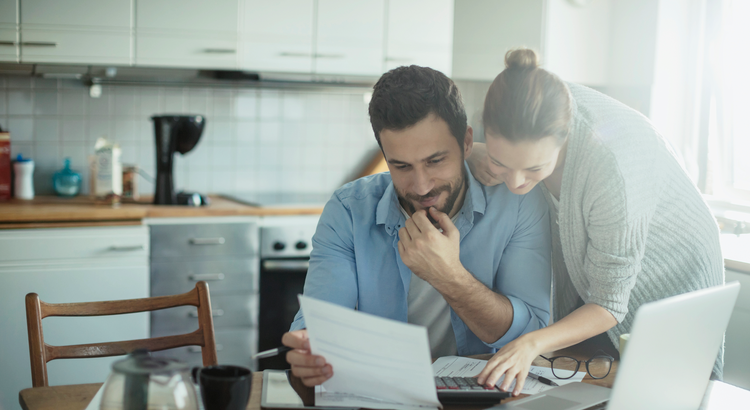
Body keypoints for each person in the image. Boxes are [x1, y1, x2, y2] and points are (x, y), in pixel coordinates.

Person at [470, 48, 725, 395]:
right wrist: (481, 153)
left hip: (674, 263)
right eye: (503, 162)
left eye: (533, 169)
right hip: (605, 280)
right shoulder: (528, 104)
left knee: (669, 389)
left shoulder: (611, 167)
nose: (515, 184)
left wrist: (530, 344)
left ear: (565, 138)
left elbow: (607, 304)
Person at [281, 65, 553, 387]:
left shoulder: (518, 204)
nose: (422, 186)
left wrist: (449, 276)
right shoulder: (349, 211)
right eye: (401, 166)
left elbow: (531, 334)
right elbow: (321, 324)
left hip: (482, 397)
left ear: (467, 143)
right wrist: (311, 351)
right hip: (379, 395)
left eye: (435, 161)